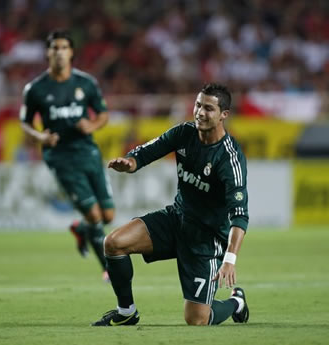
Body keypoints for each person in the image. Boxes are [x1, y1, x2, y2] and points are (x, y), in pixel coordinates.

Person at [92, 83, 250, 326]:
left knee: (196, 319)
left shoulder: (229, 158)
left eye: (208, 108)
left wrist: (230, 258)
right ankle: (126, 312)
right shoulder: (184, 133)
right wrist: (130, 162)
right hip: (176, 220)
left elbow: (240, 215)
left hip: (205, 239)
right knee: (114, 243)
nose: (199, 112)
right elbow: (146, 152)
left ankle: (236, 302)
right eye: (198, 105)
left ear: (223, 115)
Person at [20, 30, 114, 281]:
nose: (59, 52)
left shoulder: (86, 83)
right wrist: (40, 137)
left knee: (108, 215)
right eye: (54, 48)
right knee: (94, 215)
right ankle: (108, 268)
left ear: (71, 52)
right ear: (48, 53)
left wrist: (92, 126)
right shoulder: (36, 89)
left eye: (63, 47)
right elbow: (25, 123)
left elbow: (103, 114)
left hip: (88, 151)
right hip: (60, 157)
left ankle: (82, 230)